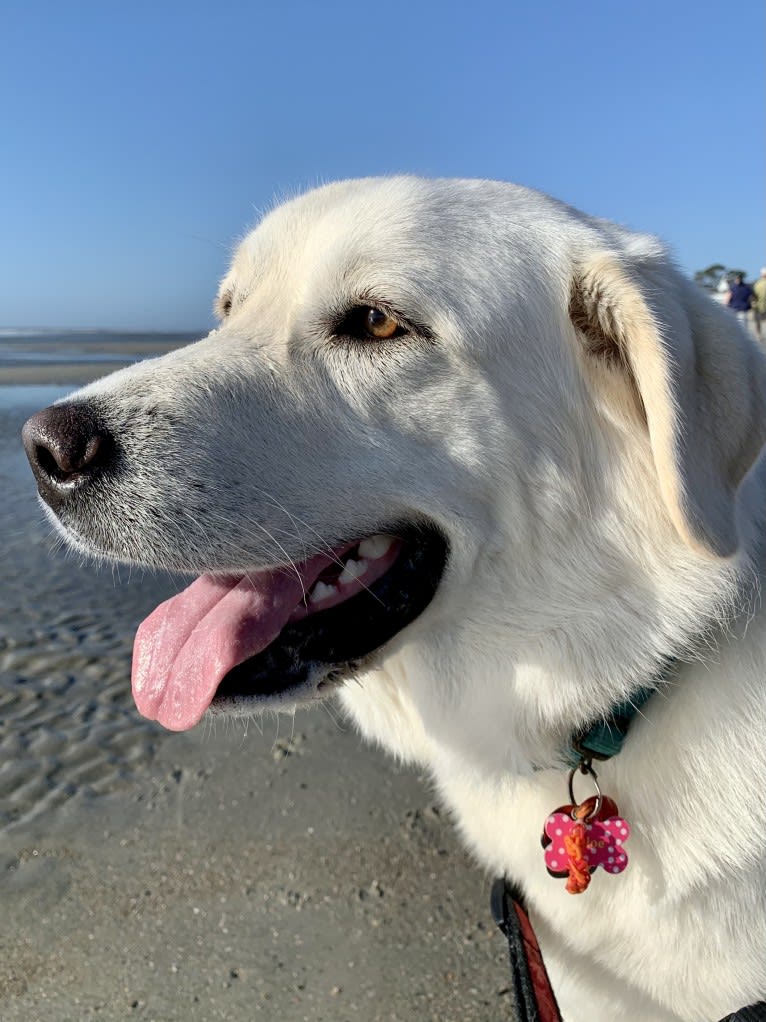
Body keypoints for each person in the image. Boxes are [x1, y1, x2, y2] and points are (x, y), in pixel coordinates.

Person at [752, 267, 766, 343]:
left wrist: (753, 304)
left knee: (758, 322)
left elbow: (753, 296)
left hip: (757, 306)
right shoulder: (759, 283)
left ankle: (759, 336)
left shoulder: (757, 283)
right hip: (761, 306)